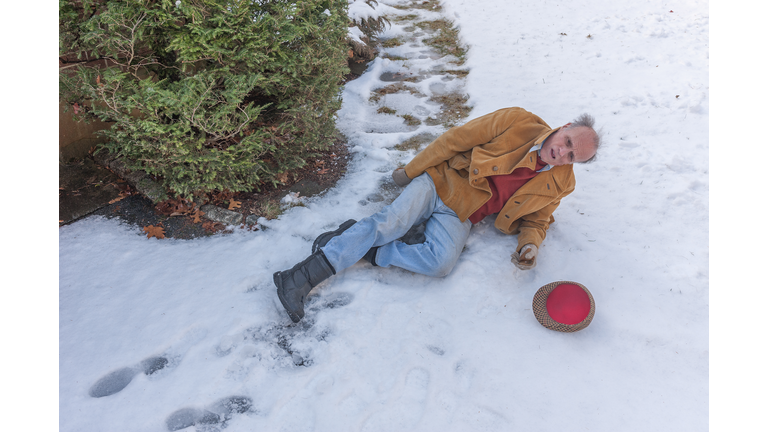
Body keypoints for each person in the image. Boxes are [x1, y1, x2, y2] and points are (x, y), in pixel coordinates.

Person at [274, 107, 601, 323]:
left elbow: (538, 219)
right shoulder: (518, 121)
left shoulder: (561, 182)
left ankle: (358, 245)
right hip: (440, 181)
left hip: (463, 214)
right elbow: (457, 138)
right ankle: (297, 278)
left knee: (440, 264)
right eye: (567, 141)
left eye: (572, 156)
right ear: (565, 126)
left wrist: (530, 244)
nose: (563, 152)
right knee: (390, 223)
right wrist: (411, 171)